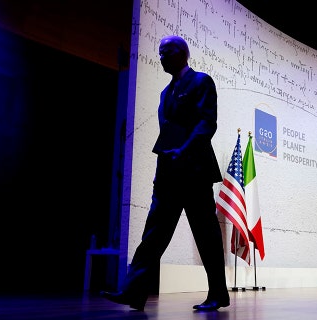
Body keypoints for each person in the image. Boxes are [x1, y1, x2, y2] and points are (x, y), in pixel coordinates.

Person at [100, 35, 230, 311]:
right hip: (168, 174)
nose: (161, 58)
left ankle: (218, 294)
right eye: (159, 53)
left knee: (206, 236)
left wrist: (183, 150)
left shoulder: (201, 81)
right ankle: (133, 293)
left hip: (194, 172)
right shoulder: (164, 93)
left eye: (166, 52)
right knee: (153, 236)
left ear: (183, 54)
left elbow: (208, 124)